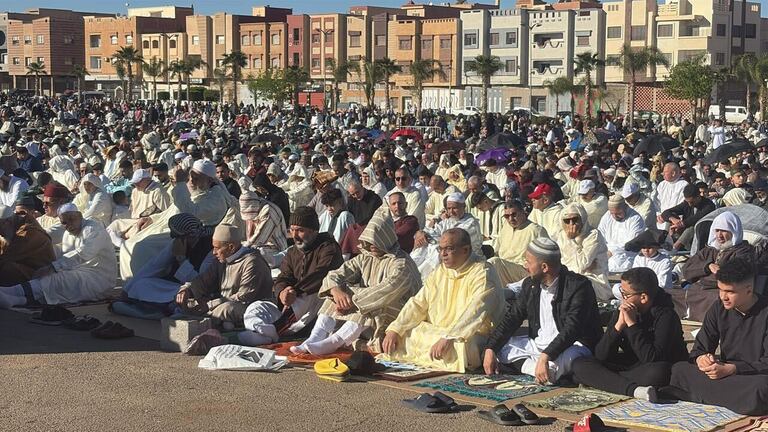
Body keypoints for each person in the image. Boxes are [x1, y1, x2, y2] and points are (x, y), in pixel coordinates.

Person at [287, 214, 420, 354]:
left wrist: (352, 301)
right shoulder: (365, 258)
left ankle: (335, 342)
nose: (371, 245)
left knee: (371, 304)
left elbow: (386, 291)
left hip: (395, 315)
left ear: (387, 238)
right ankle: (315, 337)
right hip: (367, 316)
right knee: (336, 293)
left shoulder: (401, 263)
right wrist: (336, 291)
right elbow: (334, 275)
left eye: (376, 240)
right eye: (369, 240)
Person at [380, 228, 505, 373]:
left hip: (470, 334)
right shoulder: (440, 271)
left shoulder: (482, 272)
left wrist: (449, 337)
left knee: (461, 346)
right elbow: (418, 303)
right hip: (437, 331)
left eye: (449, 249)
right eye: (440, 249)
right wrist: (396, 328)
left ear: (465, 250)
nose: (443, 254)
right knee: (405, 332)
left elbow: (475, 312)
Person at [483, 238, 602, 384]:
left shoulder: (578, 286)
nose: (525, 266)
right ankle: (540, 370)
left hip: (572, 345)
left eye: (528, 262)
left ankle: (541, 370)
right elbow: (512, 318)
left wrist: (546, 356)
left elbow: (572, 329)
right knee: (500, 349)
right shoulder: (530, 284)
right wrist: (491, 348)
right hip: (539, 345)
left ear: (544, 267)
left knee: (569, 359)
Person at [667, 257, 768, 415]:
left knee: (762, 387)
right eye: (720, 290)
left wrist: (733, 369)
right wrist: (702, 359)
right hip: (724, 375)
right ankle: (727, 400)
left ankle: (697, 396)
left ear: (749, 290)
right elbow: (700, 348)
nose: (723, 297)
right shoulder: (718, 308)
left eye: (730, 292)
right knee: (679, 369)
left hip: (752, 376)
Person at [571, 267, 687, 401]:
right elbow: (601, 355)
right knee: (579, 364)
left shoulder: (666, 316)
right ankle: (634, 390)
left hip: (654, 367)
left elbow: (652, 358)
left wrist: (632, 325)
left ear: (643, 297)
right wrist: (618, 327)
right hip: (631, 366)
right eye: (622, 292)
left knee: (658, 373)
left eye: (626, 294)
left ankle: (605, 381)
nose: (622, 298)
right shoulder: (624, 310)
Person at [0, 204, 117, 308]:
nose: (69, 225)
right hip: (79, 273)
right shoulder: (68, 233)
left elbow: (83, 253)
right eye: (64, 222)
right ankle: (14, 298)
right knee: (51, 277)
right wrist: (52, 267)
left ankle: (12, 293)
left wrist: (53, 267)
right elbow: (60, 250)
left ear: (80, 216)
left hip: (99, 279)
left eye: (72, 219)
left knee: (58, 279)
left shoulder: (93, 229)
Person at [175, 224, 273, 328]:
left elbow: (244, 296)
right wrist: (187, 290)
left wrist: (210, 305)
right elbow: (203, 281)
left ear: (231, 247)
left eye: (217, 248)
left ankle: (200, 323)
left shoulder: (252, 262)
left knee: (227, 309)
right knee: (188, 302)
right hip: (222, 303)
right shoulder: (221, 260)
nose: (213, 252)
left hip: (252, 307)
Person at [682, 211, 767, 321]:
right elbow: (687, 269)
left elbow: (732, 279)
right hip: (697, 289)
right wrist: (707, 267)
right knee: (670, 295)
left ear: (733, 231)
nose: (719, 235)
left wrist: (702, 277)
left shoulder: (743, 252)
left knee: (720, 302)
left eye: (723, 231)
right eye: (717, 230)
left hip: (718, 293)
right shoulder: (710, 250)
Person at [272, 207, 344, 335]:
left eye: (300, 230)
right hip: (291, 304)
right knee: (258, 306)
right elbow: (284, 276)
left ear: (314, 231)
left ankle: (276, 329)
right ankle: (263, 328)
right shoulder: (292, 252)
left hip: (316, 304)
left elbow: (321, 276)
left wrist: (295, 292)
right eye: (292, 230)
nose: (294, 236)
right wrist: (282, 292)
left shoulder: (329, 248)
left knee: (307, 295)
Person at [121, 213, 215, 304]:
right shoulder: (177, 243)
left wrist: (181, 259)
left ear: (187, 236)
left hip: (199, 290)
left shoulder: (211, 249)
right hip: (177, 287)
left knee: (186, 295)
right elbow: (154, 266)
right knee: (141, 284)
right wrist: (125, 292)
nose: (173, 238)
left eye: (176, 235)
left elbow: (199, 281)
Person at [411, 192, 482, 277]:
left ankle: (419, 277)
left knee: (436, 251)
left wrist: (429, 239)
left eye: (454, 208)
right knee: (422, 243)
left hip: (465, 256)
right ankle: (411, 269)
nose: (451, 211)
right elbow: (433, 231)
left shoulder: (471, 223)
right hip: (448, 251)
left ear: (463, 207)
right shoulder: (449, 221)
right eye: (449, 208)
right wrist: (422, 233)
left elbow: (452, 242)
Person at [555, 203, 611, 301]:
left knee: (577, 283)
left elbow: (581, 265)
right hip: (567, 278)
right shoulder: (561, 236)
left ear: (582, 219)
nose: (571, 224)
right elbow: (559, 263)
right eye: (567, 221)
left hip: (594, 282)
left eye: (575, 219)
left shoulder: (593, 235)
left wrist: (571, 240)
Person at [106, 168, 171, 247]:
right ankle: (121, 244)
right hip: (134, 220)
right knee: (114, 226)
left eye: (138, 182)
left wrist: (151, 219)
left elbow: (166, 211)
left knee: (132, 232)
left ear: (147, 180)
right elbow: (132, 209)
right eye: (135, 183)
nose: (136, 185)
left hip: (149, 222)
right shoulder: (135, 191)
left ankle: (124, 245)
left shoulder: (158, 191)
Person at [489, 199, 548, 286]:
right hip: (504, 267)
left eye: (514, 215)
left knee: (494, 262)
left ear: (523, 212)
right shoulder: (506, 228)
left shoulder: (535, 230)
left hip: (524, 271)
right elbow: (496, 250)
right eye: (507, 216)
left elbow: (546, 256)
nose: (511, 219)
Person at [0, 202, 55, 286]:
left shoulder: (28, 233)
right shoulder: (12, 225)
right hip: (24, 267)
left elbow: (5, 256)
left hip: (41, 276)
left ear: (7, 222)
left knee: (5, 268)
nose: (0, 234)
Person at [239, 190, 288, 268]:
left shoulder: (268, 211)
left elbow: (259, 239)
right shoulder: (258, 206)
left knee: (249, 257)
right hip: (260, 244)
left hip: (275, 247)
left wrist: (240, 249)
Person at [598, 195, 645, 273]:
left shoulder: (635, 219)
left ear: (625, 207)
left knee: (617, 263)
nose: (615, 216)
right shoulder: (607, 216)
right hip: (606, 252)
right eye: (612, 213)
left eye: (618, 213)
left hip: (626, 254)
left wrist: (612, 251)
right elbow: (600, 235)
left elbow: (631, 243)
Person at [661, 184, 716, 251]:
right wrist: (673, 219)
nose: (689, 204)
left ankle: (675, 247)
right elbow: (666, 212)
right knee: (671, 217)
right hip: (682, 234)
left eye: (691, 202)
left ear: (698, 197)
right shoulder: (687, 204)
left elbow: (696, 218)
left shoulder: (709, 205)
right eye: (688, 202)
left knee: (694, 225)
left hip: (699, 236)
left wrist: (681, 224)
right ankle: (665, 242)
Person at [654, 162, 688, 229]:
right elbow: (656, 202)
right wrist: (658, 215)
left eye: (665, 172)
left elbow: (682, 204)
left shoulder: (683, 185)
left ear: (673, 173)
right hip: (660, 220)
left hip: (674, 220)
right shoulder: (662, 184)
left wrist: (670, 217)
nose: (663, 174)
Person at [38, 183, 70, 247]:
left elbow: (47, 236)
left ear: (61, 202)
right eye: (43, 202)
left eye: (48, 203)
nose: (44, 206)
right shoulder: (44, 218)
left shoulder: (69, 219)